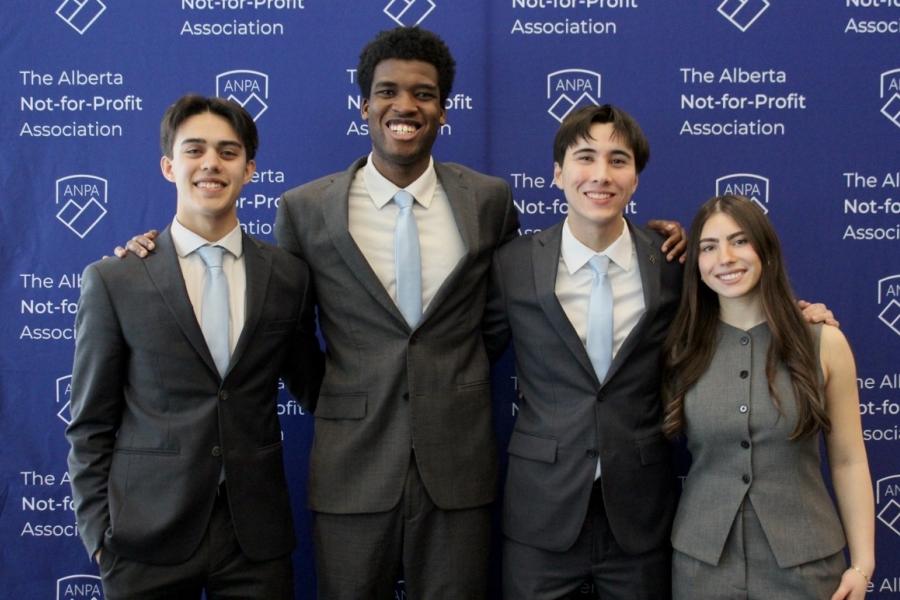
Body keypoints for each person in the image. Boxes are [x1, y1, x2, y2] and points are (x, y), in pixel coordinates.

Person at [119, 28, 684, 599]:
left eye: (424, 93)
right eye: (388, 91)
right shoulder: (307, 209)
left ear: (443, 110)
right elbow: (283, 327)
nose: (405, 106)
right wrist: (344, 396)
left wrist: (655, 237)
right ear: (364, 106)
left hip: (458, 467)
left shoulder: (487, 201)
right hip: (351, 468)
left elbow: (498, 318)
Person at [66, 95, 322, 599]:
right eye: (195, 150)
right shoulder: (116, 278)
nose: (211, 163)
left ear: (249, 170)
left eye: (228, 152)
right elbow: (91, 422)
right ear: (169, 166)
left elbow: (314, 384)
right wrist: (99, 537)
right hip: (144, 538)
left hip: (255, 539)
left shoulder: (288, 275)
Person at [484, 104, 684, 599]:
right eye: (585, 158)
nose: (601, 175)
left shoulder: (673, 263)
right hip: (540, 513)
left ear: (635, 178)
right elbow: (465, 353)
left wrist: (803, 314)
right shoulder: (512, 265)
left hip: (640, 512)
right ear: (557, 174)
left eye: (618, 161)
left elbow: (736, 308)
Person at [662, 194, 874, 599]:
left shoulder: (824, 342)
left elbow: (848, 459)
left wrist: (862, 567)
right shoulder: (679, 351)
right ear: (697, 266)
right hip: (702, 570)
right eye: (708, 247)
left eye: (740, 241)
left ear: (766, 252)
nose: (725, 257)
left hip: (807, 568)